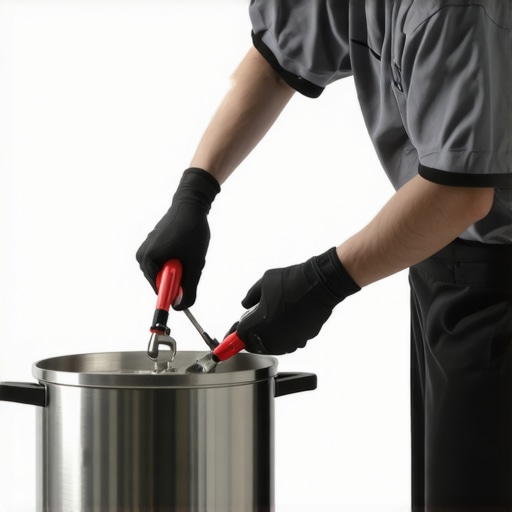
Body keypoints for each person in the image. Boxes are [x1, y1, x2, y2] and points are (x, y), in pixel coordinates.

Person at [136, 1, 512, 510]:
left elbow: (460, 195)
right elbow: (275, 62)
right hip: (443, 263)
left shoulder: (453, 9)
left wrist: (323, 282)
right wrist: (195, 193)